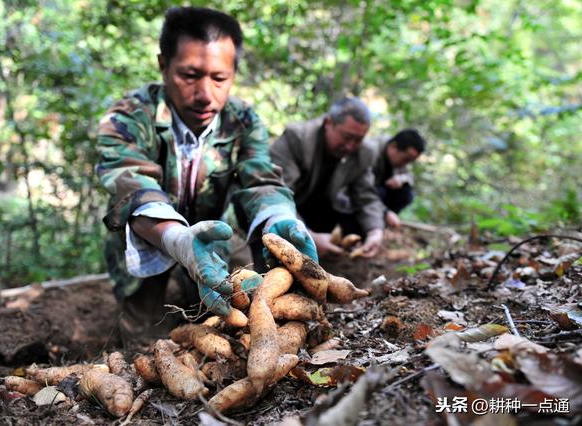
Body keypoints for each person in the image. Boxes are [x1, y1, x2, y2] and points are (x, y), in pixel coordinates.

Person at [96, 7, 316, 344]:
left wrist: (280, 217)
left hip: (214, 235)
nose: (204, 94)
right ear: (163, 65)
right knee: (142, 340)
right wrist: (179, 241)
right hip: (149, 238)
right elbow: (132, 187)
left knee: (236, 318)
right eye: (189, 76)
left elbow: (259, 178)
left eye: (219, 78)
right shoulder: (128, 117)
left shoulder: (242, 120)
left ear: (233, 74)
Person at [270, 97, 386, 259]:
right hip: (285, 207)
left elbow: (365, 197)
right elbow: (276, 194)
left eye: (358, 140)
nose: (350, 146)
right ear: (328, 123)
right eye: (346, 137)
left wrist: (375, 231)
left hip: (319, 207)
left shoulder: (365, 153)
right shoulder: (295, 139)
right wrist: (305, 235)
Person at [371, 129, 426, 228]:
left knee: (406, 193)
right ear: (393, 146)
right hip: (363, 197)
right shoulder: (371, 152)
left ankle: (381, 225)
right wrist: (385, 212)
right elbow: (361, 189)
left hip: (378, 198)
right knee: (380, 192)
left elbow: (409, 177)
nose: (406, 163)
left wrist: (401, 178)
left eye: (410, 161)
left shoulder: (400, 159)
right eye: (406, 159)